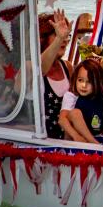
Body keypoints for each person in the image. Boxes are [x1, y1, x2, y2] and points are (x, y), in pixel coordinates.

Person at [59, 57, 103, 144]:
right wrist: (76, 136)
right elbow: (62, 120)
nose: (84, 85)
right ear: (75, 79)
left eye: (89, 82)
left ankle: (95, 143)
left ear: (97, 82)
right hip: (74, 138)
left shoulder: (102, 98)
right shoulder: (71, 95)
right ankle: (94, 144)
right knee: (75, 113)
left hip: (96, 136)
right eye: (80, 80)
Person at [38, 10, 71, 139]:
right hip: (45, 143)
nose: (65, 39)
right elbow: (40, 69)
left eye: (67, 35)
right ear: (43, 38)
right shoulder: (31, 66)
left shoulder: (68, 67)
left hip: (67, 139)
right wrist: (60, 38)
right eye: (56, 33)